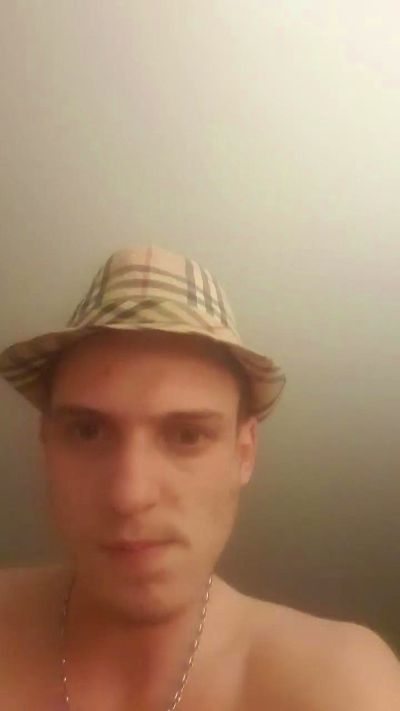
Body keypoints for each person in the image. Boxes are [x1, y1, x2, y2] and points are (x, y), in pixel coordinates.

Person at [0, 245, 398, 711]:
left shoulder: (341, 683)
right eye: (87, 431)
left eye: (187, 435)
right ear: (46, 445)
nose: (129, 495)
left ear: (243, 453)